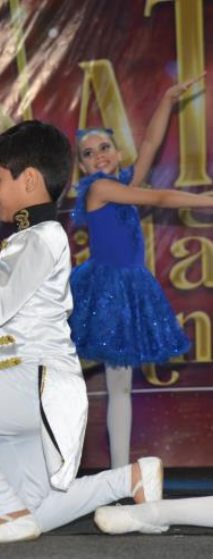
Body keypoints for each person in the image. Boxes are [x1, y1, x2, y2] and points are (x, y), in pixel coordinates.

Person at [0, 121, 164, 544]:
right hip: (31, 386)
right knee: (35, 511)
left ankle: (6, 513)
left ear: (30, 179)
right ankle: (128, 479)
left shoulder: (39, 237)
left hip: (36, 382)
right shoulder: (32, 236)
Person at [70, 74, 205, 467]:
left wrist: (167, 100)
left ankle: (119, 473)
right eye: (89, 153)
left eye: (104, 148)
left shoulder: (125, 181)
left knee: (121, 387)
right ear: (82, 166)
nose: (99, 156)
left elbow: (149, 145)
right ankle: (101, 470)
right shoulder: (99, 189)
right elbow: (159, 197)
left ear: (116, 151)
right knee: (98, 381)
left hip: (128, 288)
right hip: (105, 291)